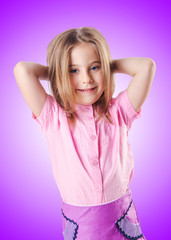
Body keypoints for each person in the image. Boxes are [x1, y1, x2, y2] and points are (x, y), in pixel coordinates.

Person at [14, 27, 156, 240]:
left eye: (94, 67)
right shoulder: (53, 116)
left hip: (122, 221)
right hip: (81, 227)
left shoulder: (118, 112)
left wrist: (108, 66)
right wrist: (57, 71)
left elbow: (146, 66)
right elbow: (22, 70)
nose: (86, 79)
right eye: (74, 70)